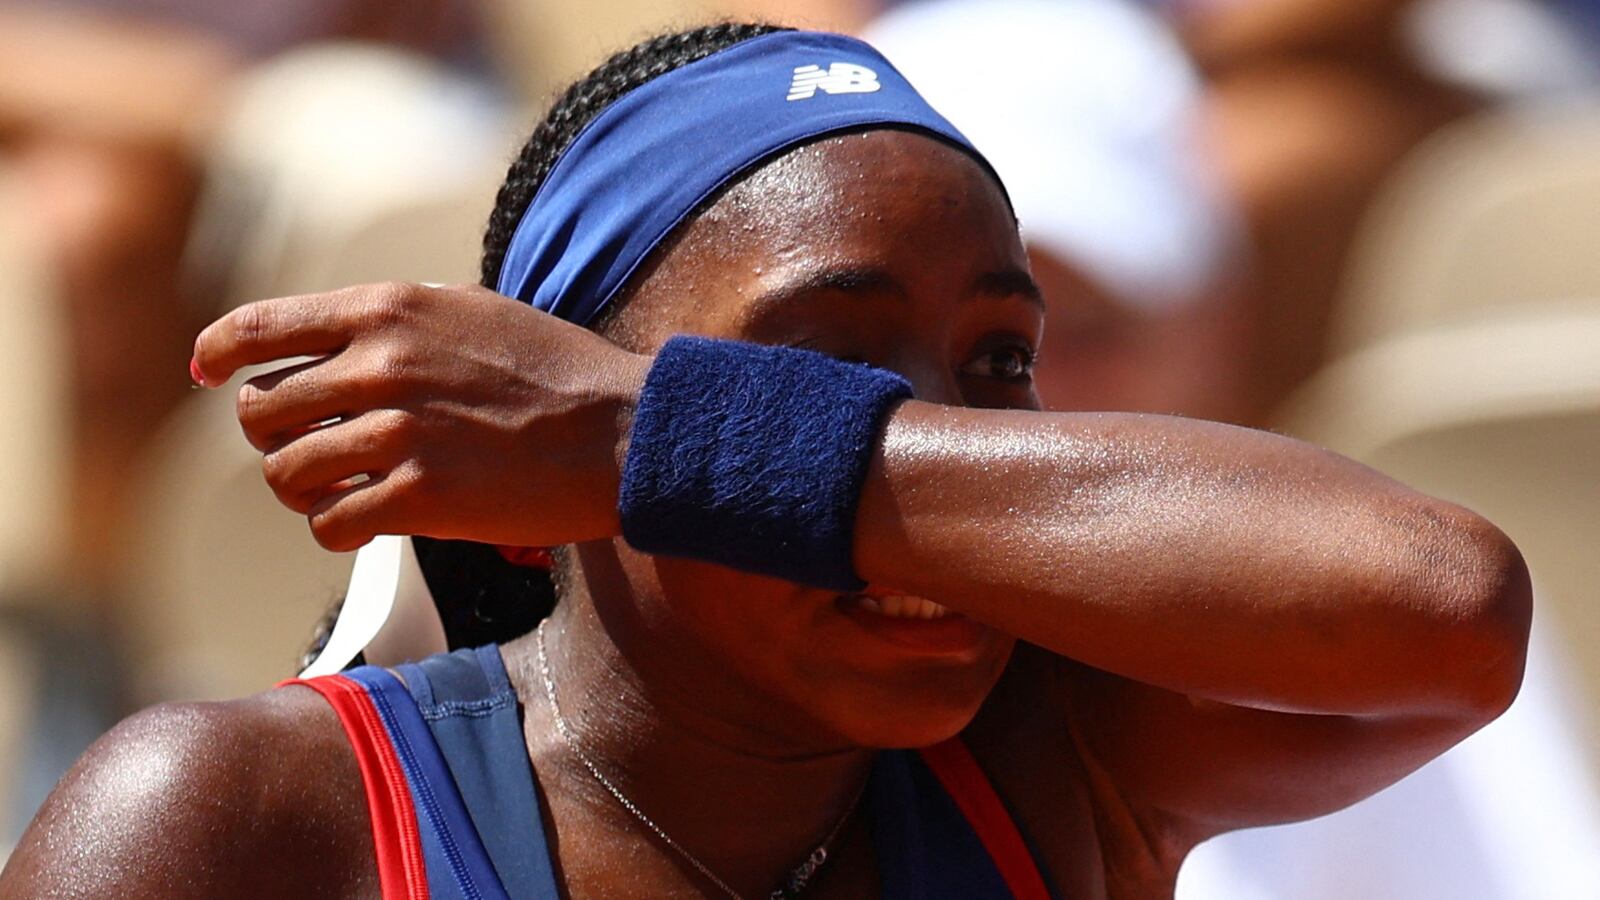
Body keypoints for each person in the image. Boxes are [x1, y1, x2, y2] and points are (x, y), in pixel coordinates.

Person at [1, 23, 1530, 899]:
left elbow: (1445, 606)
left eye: (1000, 365)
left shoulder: (1050, 765)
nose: (929, 423)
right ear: (536, 461)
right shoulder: (243, 818)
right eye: (823, 365)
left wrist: (660, 431)